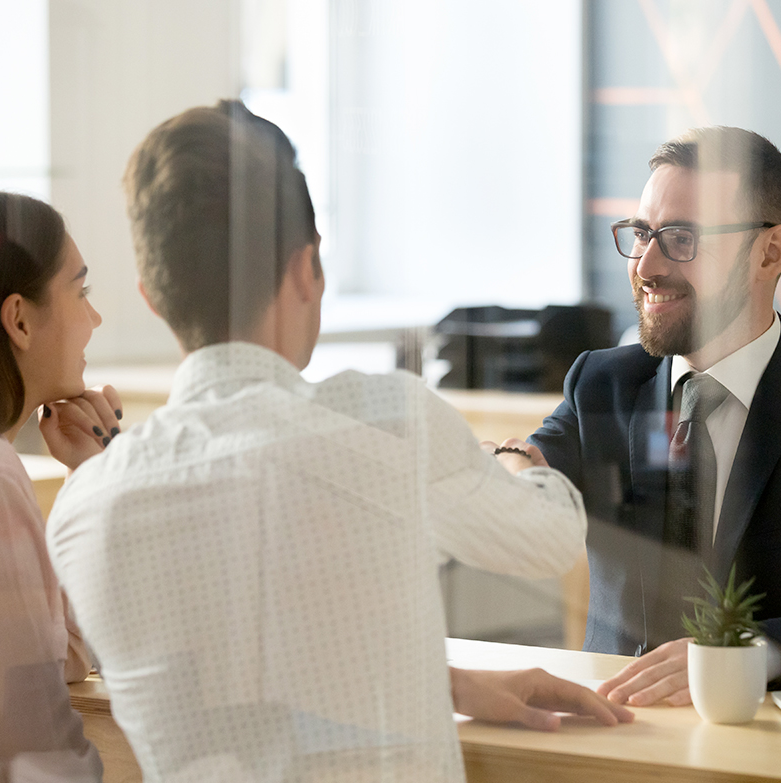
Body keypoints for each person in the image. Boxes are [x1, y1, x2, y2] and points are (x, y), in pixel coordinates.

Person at [46, 100, 631, 783]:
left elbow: (239, 686)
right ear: (306, 267)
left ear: (152, 296)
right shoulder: (384, 420)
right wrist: (517, 461)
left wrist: (444, 682)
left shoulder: (83, 506)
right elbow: (550, 540)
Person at [529, 126, 781, 707]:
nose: (645, 265)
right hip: (612, 725)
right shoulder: (602, 383)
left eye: (682, 238)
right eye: (642, 233)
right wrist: (516, 463)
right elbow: (531, 466)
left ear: (769, 252)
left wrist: (748, 652)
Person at [0, 190, 117, 781]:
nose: (94, 319)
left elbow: (59, 659)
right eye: (81, 291)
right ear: (20, 320)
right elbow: (39, 751)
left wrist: (88, 476)